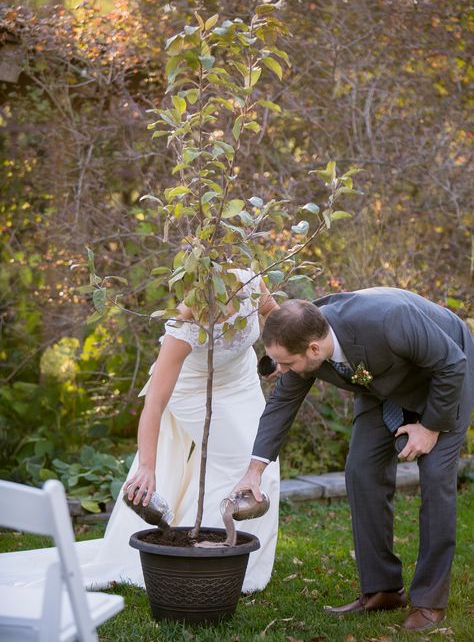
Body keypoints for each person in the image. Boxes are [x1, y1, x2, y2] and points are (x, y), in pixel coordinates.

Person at [0, 268, 280, 594]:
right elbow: (154, 405)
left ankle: (237, 559)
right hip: (191, 388)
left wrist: (274, 354)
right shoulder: (185, 324)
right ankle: (207, 565)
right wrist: (147, 466)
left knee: (263, 463)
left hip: (240, 380)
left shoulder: (248, 280)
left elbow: (272, 314)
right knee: (240, 464)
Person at [233, 287, 473, 631]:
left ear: (314, 349)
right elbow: (281, 406)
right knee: (362, 471)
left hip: (446, 375)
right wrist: (253, 472)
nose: (282, 371)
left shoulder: (389, 320)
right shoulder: (302, 334)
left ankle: (429, 602)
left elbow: (452, 364)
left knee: (435, 479)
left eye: (287, 363)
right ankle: (383, 589)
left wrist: (430, 427)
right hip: (382, 380)